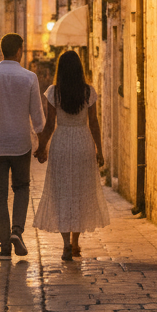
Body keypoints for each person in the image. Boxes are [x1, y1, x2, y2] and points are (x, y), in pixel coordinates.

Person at [0, 33, 45, 260]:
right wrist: (42, 144)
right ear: (20, 51)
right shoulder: (30, 78)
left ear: (2, 50)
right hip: (21, 143)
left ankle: (4, 246)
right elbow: (38, 117)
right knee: (22, 188)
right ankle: (17, 232)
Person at [33, 50, 110, 261]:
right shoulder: (88, 92)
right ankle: (76, 242)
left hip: (62, 142)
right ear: (79, 70)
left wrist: (42, 147)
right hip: (83, 143)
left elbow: (49, 125)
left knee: (62, 194)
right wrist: (99, 150)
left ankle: (66, 244)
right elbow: (93, 123)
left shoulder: (53, 93)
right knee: (80, 193)